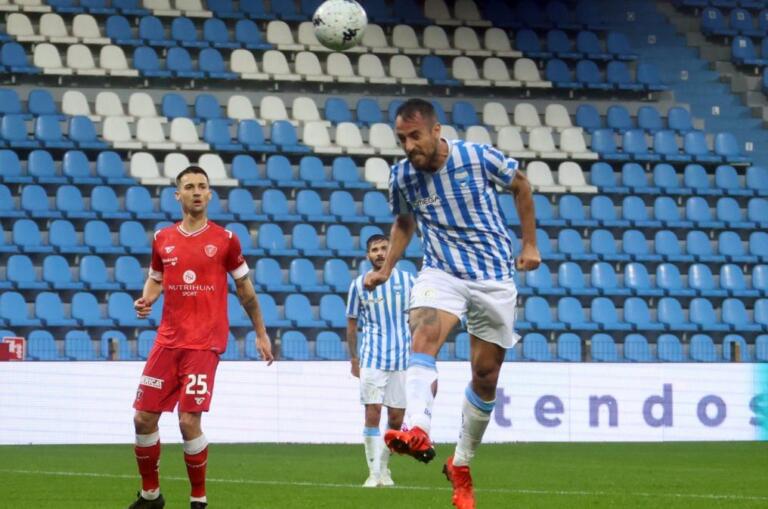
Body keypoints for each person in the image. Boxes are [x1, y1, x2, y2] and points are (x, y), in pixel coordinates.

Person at [364, 99, 541, 509]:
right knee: (423, 332)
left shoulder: (476, 156)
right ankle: (417, 428)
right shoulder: (402, 177)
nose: (409, 146)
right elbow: (404, 222)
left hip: (493, 277)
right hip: (441, 272)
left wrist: (530, 244)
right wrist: (387, 268)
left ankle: (460, 464)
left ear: (436, 130)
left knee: (485, 375)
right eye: (402, 139)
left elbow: (521, 184)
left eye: (415, 136)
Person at [127, 166, 274, 509]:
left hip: (204, 343)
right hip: (167, 341)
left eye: (202, 186)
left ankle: (198, 500)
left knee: (188, 421)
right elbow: (156, 279)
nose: (196, 191)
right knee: (142, 418)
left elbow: (245, 291)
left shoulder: (226, 240)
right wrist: (146, 299)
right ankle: (151, 496)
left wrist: (261, 332)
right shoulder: (162, 238)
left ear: (209, 194)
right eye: (189, 186)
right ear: (177, 195)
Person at [346, 234, 415, 487]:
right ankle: (373, 473)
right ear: (368, 255)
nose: (379, 253)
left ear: (391, 251)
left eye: (384, 248)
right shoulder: (358, 285)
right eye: (374, 249)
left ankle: (384, 468)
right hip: (372, 358)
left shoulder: (409, 281)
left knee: (396, 418)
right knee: (372, 413)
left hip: (402, 358)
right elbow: (351, 324)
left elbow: (418, 318)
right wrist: (354, 358)